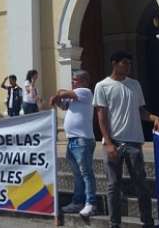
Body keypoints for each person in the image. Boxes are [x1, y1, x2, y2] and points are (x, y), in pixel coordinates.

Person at [93, 51, 159, 228]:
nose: (128, 66)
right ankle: (114, 223)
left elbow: (141, 111)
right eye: (125, 63)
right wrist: (108, 143)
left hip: (134, 143)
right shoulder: (102, 86)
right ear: (115, 64)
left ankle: (147, 221)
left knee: (141, 185)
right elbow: (101, 116)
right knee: (113, 186)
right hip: (113, 142)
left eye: (129, 63)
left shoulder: (135, 85)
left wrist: (154, 118)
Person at [51, 70, 97, 217]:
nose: (72, 82)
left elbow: (67, 94)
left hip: (82, 139)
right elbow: (64, 106)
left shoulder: (86, 92)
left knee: (86, 173)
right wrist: (57, 99)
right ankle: (78, 202)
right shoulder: (74, 96)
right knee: (77, 174)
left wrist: (59, 94)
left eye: (75, 80)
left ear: (83, 81)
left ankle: (91, 203)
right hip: (72, 140)